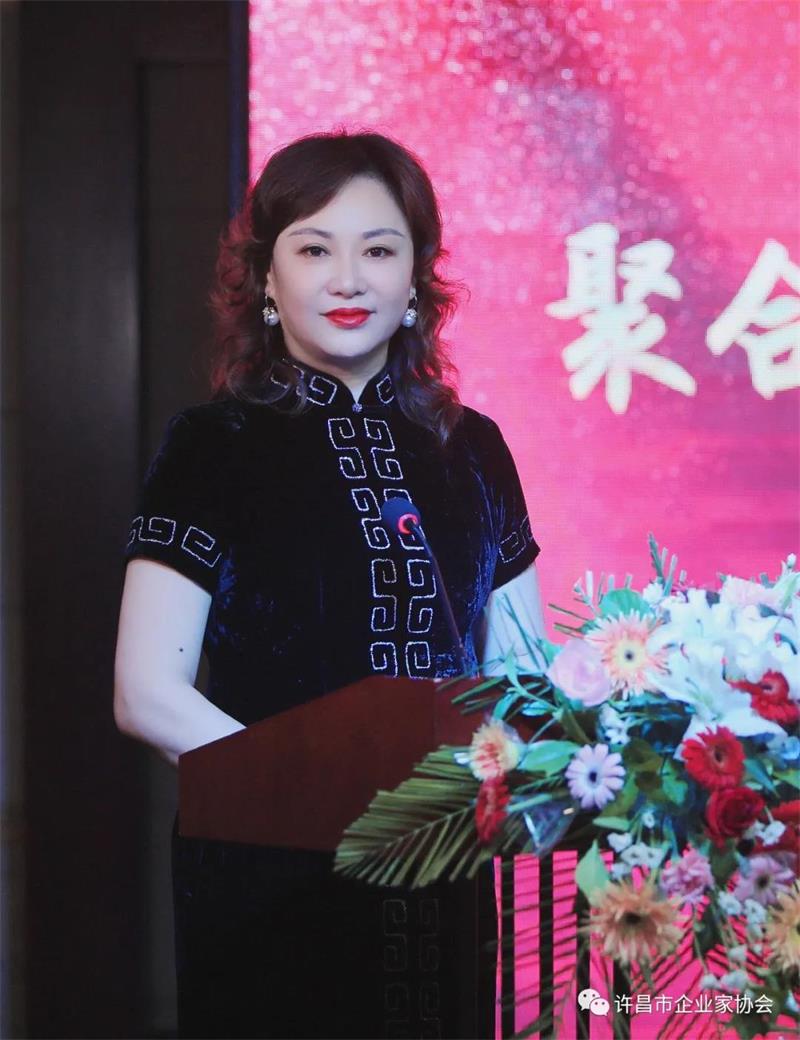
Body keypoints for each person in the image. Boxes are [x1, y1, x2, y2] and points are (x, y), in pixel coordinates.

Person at [113, 130, 547, 1039]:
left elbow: (522, 674)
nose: (348, 279)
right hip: (266, 877)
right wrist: (320, 794)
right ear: (267, 280)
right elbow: (145, 691)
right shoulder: (212, 446)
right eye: (314, 250)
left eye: (379, 251)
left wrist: (496, 774)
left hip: (443, 871)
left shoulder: (474, 448)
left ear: (417, 278)